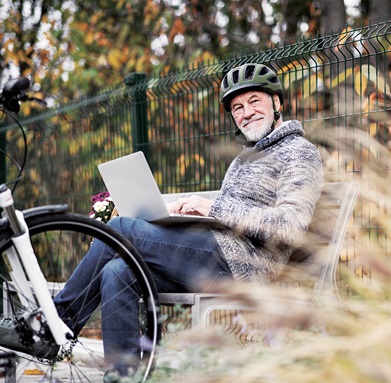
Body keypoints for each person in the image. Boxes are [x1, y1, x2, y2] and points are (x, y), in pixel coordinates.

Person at [1, 63, 324, 380]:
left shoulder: (299, 152)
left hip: (244, 267)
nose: (246, 112)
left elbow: (290, 226)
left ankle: (57, 323)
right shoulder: (245, 157)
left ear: (277, 102)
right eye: (238, 107)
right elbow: (225, 218)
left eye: (255, 101)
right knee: (118, 270)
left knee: (120, 229)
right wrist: (181, 216)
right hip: (212, 255)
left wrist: (213, 208)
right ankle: (123, 375)